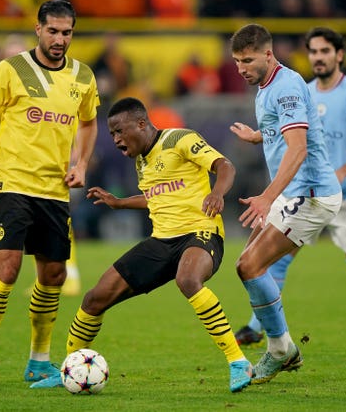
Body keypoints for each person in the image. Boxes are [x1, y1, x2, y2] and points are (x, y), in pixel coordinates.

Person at [30, 97, 253, 392]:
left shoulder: (179, 138)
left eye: (120, 131)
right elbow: (156, 197)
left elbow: (225, 166)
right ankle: (70, 370)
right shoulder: (142, 162)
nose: (116, 139)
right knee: (95, 298)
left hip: (201, 233)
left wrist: (217, 193)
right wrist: (120, 203)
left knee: (188, 279)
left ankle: (238, 362)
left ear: (141, 123)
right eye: (112, 135)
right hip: (161, 241)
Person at [0, 0, 100, 388]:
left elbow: (89, 122)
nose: (60, 39)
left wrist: (80, 163)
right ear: (38, 29)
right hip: (12, 183)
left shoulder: (83, 76)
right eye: (53, 31)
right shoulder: (9, 71)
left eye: (67, 32)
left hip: (54, 190)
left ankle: (39, 361)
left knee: (54, 274)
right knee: (8, 268)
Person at [234, 27, 346, 352]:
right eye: (313, 51)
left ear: (339, 55)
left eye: (324, 51)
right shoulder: (302, 88)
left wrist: (343, 170)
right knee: (268, 262)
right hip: (301, 188)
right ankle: (260, 329)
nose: (317, 57)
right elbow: (293, 130)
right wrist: (260, 136)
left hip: (338, 190)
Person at [228, 24, 342, 384]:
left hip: (310, 194)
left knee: (250, 265)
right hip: (294, 193)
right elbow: (285, 129)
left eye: (247, 60)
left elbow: (299, 148)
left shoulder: (287, 86)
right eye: (236, 61)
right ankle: (280, 345)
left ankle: (281, 350)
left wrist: (267, 196)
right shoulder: (266, 86)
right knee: (248, 266)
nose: (241, 68)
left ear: (267, 54)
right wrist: (259, 135)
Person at [0, 33, 83, 297]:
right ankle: (55, 276)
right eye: (9, 56)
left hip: (51, 164)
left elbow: (66, 117)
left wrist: (77, 154)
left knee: (59, 222)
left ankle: (70, 274)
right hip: (20, 173)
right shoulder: (4, 86)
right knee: (32, 227)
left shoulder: (49, 82)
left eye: (17, 55)